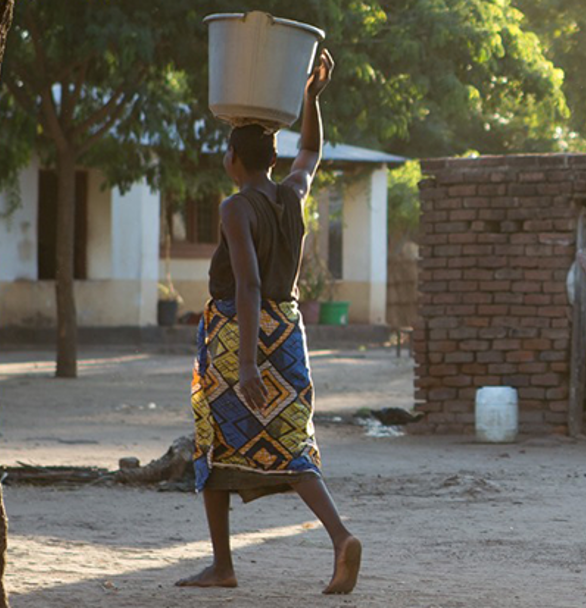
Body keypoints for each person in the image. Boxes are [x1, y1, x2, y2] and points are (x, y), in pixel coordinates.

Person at [177, 49, 363, 594]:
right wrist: (311, 98)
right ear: (271, 161)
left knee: (212, 441)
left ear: (234, 159)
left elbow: (249, 283)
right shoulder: (291, 195)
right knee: (290, 441)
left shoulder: (237, 208)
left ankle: (222, 565)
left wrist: (248, 363)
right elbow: (310, 150)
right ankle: (339, 536)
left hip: (241, 334)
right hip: (288, 327)